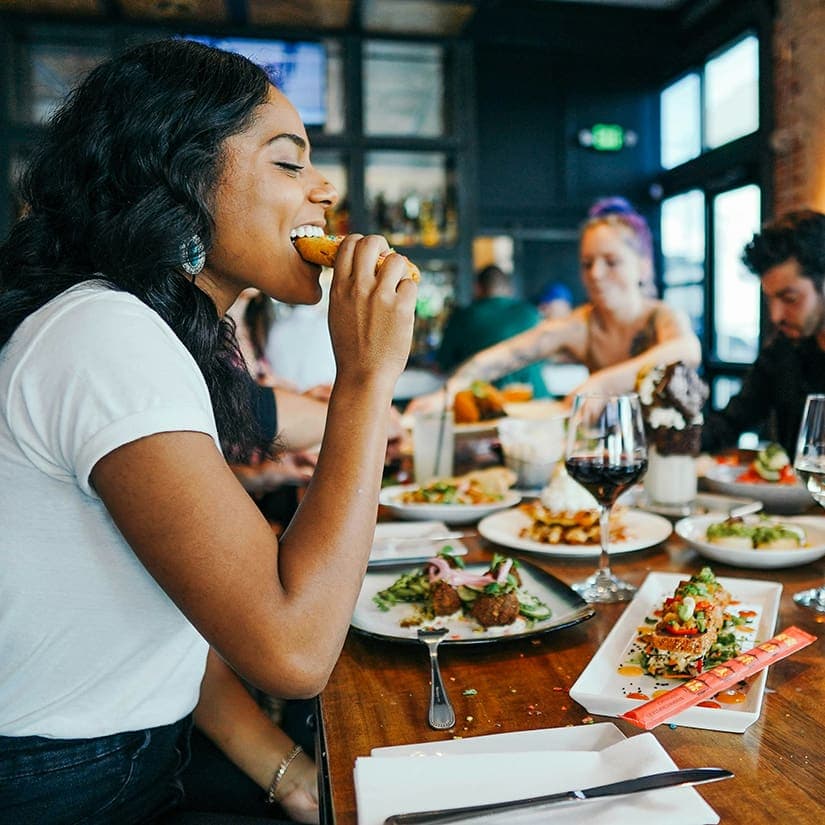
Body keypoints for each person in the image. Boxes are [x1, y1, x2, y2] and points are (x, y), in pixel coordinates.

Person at [0, 38, 417, 824]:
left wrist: (287, 772)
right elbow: (294, 650)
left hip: (124, 753)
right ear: (180, 174)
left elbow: (166, 619)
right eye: (289, 163)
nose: (324, 188)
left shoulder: (144, 330)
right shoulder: (103, 334)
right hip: (64, 785)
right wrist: (366, 377)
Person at [408, 197, 700, 412]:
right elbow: (504, 356)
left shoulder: (662, 316)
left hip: (672, 460)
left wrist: (600, 384)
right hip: (613, 457)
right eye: (587, 263)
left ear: (644, 267)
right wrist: (447, 394)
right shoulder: (580, 325)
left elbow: (686, 350)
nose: (595, 274)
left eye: (611, 262)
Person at [702, 209, 825, 456]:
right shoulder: (783, 351)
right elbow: (728, 423)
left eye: (789, 298)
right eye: (770, 299)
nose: (775, 315)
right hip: (797, 494)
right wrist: (672, 432)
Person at [437, 264, 549, 398]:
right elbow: (545, 358)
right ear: (508, 288)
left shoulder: (463, 317)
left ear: (477, 287)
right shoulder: (531, 313)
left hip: (489, 403)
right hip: (538, 400)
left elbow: (443, 364)